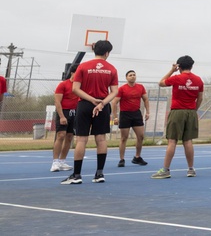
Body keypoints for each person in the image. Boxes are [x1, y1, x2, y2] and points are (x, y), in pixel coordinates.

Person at [62, 39, 118, 185]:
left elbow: (75, 89)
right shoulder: (112, 69)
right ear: (107, 53)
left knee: (81, 139)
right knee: (101, 139)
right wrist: (102, 103)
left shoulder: (83, 66)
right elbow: (114, 92)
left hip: (85, 104)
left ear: (94, 50)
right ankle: (99, 173)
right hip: (102, 105)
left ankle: (77, 175)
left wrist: (92, 100)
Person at [151, 56, 204, 179]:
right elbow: (200, 98)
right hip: (191, 112)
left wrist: (171, 70)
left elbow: (161, 83)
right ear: (192, 66)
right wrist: (194, 110)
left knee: (172, 140)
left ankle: (165, 170)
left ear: (179, 66)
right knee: (188, 141)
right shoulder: (198, 80)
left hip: (177, 111)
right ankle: (191, 169)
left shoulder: (176, 78)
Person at [112, 70, 150, 167]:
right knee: (124, 138)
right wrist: (115, 117)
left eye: (134, 75)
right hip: (125, 114)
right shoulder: (122, 89)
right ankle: (121, 159)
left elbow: (145, 99)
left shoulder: (140, 87)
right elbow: (114, 102)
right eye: (130, 75)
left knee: (141, 136)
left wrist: (147, 112)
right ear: (126, 77)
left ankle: (137, 157)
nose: (132, 76)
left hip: (136, 114)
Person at [50, 76, 79, 172]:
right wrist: (62, 116)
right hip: (64, 111)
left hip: (75, 112)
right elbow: (57, 101)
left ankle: (62, 161)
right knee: (61, 135)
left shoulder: (80, 85)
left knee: (69, 137)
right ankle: (55, 162)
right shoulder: (63, 84)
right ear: (72, 73)